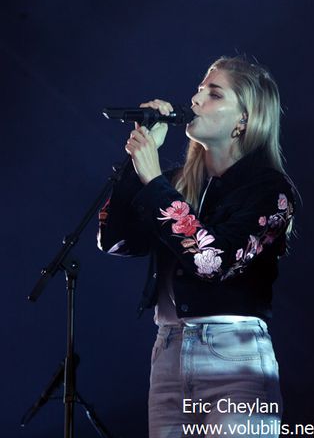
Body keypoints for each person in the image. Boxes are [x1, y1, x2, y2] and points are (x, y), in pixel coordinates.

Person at [98, 56, 295, 438]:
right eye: (200, 88)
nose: (196, 98)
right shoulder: (175, 184)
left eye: (214, 93)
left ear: (245, 118)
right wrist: (136, 168)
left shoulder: (271, 191)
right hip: (168, 352)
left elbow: (212, 262)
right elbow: (115, 240)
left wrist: (153, 180)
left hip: (234, 362)